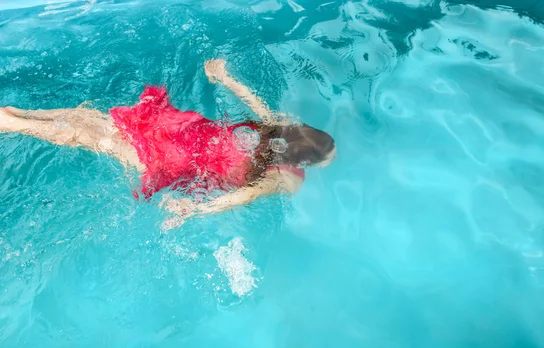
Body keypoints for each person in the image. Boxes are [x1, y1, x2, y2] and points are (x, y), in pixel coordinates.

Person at [0, 59, 336, 220]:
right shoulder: (283, 176)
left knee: (94, 120)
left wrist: (226, 79)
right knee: (90, 137)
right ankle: (11, 122)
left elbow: (257, 106)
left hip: (183, 130)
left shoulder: (278, 127)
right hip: (174, 158)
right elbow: (242, 197)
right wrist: (195, 210)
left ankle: (16, 114)